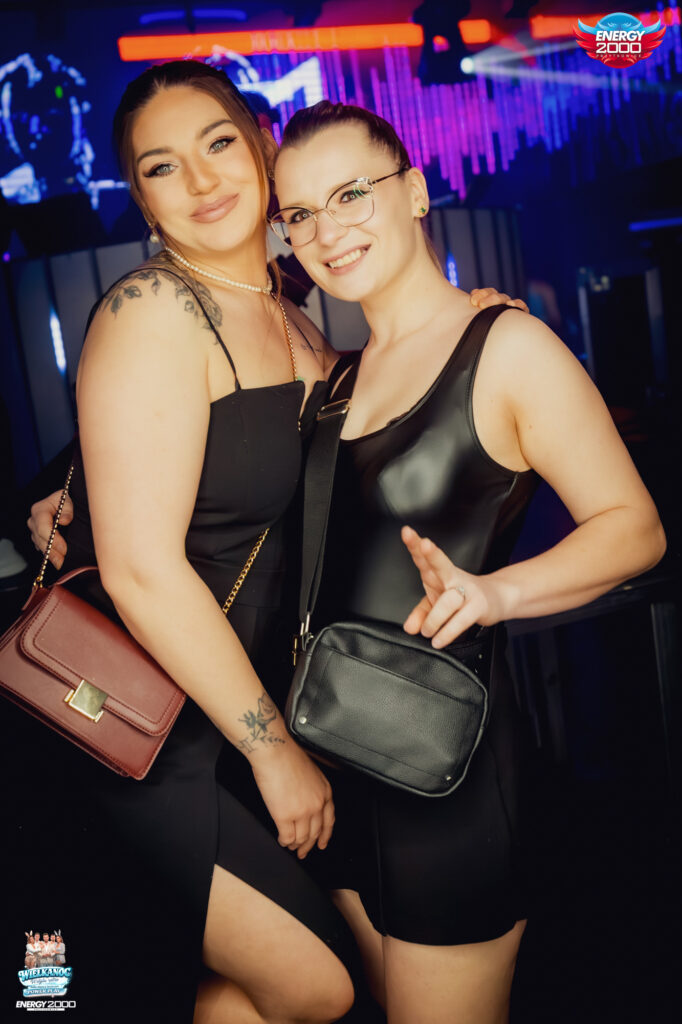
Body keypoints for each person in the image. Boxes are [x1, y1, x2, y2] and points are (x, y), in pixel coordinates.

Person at [20, 62, 519, 1023]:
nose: (202, 180)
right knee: (317, 985)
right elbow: (139, 569)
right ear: (143, 201)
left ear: (260, 145)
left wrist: (468, 325)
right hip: (143, 724)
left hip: (236, 714)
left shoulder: (293, 313)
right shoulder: (151, 309)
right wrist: (273, 749)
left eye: (217, 144)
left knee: (267, 991)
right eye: (162, 167)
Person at [269, 101, 666, 1024]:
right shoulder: (336, 374)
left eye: (351, 194)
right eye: (300, 214)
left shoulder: (508, 345)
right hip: (331, 766)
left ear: (415, 192)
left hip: (444, 776)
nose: (327, 230)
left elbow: (634, 527)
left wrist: (495, 593)